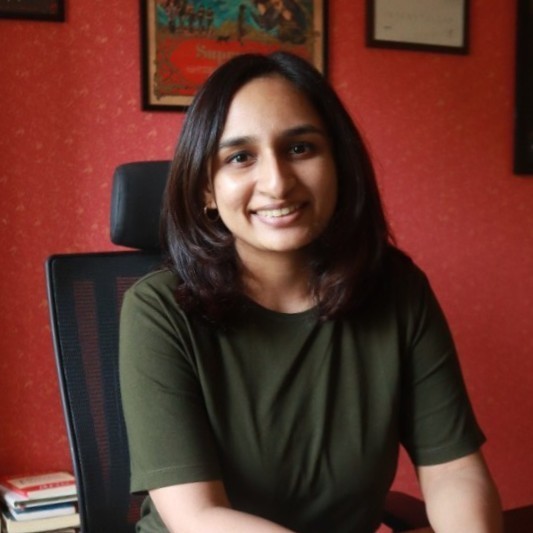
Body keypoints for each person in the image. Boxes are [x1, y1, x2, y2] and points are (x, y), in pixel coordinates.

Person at [119, 52, 502, 532]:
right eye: (240, 157)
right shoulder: (158, 309)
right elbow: (197, 517)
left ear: (338, 163)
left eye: (300, 148)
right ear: (206, 190)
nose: (277, 183)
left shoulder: (397, 290)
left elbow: (453, 472)